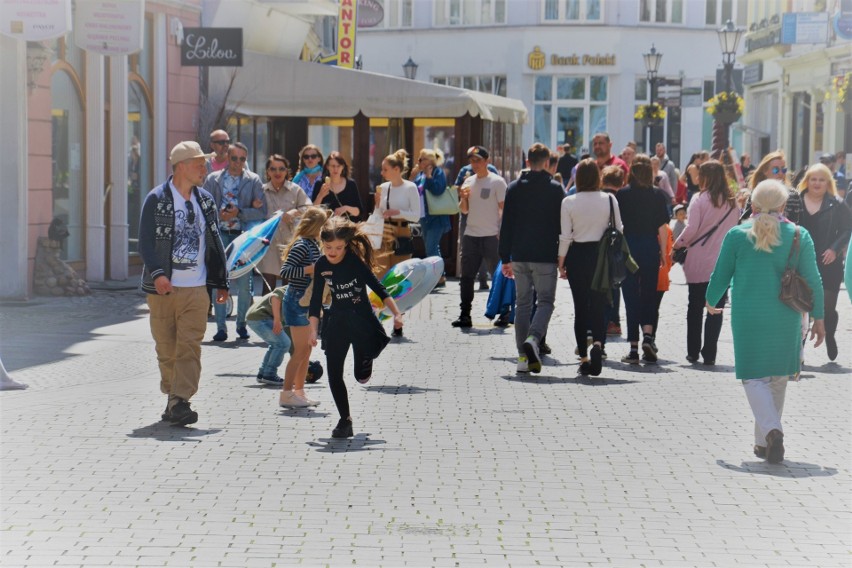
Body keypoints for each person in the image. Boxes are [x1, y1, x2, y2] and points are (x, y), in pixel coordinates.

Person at [706, 179, 825, 463]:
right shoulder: (799, 234)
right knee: (777, 378)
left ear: (754, 205)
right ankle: (763, 442)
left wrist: (712, 300)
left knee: (753, 377)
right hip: (786, 316)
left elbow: (720, 273)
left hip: (748, 316)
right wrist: (819, 318)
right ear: (784, 205)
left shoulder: (737, 235)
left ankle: (770, 433)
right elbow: (814, 280)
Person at [139, 141, 229, 426]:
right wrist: (158, 273)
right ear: (181, 166)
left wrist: (221, 281)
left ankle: (181, 400)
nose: (205, 169)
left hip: (197, 288)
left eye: (205, 163)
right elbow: (145, 242)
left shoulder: (205, 201)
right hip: (163, 288)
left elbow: (215, 242)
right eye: (199, 163)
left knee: (190, 346)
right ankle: (173, 397)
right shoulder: (157, 199)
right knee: (166, 348)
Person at [308, 217, 403, 439]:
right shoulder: (322, 265)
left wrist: (397, 314)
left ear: (346, 245)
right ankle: (345, 420)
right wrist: (313, 330)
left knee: (360, 375)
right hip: (337, 321)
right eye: (328, 247)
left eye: (338, 247)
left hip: (361, 320)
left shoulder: (353, 262)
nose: (333, 252)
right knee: (334, 374)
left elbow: (378, 288)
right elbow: (315, 301)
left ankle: (366, 356)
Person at [499, 143, 564, 374]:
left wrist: (504, 256)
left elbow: (506, 224)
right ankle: (534, 339)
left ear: (527, 162)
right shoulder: (556, 189)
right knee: (545, 301)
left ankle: (522, 358)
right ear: (547, 163)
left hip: (520, 254)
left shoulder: (514, 188)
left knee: (523, 303)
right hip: (545, 254)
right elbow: (561, 225)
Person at [558, 158, 623, 376]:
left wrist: (561, 262)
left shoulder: (569, 201)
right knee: (599, 304)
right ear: (598, 176)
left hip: (577, 255)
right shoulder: (609, 199)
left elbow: (565, 236)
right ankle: (598, 344)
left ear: (577, 177)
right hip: (601, 256)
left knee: (580, 307)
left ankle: (584, 358)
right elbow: (619, 229)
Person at [672, 160, 740, 366]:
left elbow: (691, 229)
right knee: (716, 308)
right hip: (723, 261)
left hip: (699, 259)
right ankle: (710, 353)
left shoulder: (699, 199)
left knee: (695, 307)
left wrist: (677, 244)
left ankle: (693, 351)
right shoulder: (732, 202)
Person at [204, 142, 266, 342]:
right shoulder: (213, 179)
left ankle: (241, 325)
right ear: (227, 158)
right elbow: (203, 206)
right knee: (220, 281)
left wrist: (240, 212)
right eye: (234, 158)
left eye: (242, 159)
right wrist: (219, 216)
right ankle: (221, 327)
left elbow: (261, 212)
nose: (238, 163)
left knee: (245, 284)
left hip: (243, 236)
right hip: (220, 234)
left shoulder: (253, 180)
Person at [615, 155, 670, 364]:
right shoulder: (657, 196)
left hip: (628, 248)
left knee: (630, 296)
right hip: (649, 246)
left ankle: (633, 348)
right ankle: (648, 335)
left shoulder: (622, 194)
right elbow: (662, 228)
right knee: (649, 293)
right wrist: (664, 253)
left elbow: (618, 226)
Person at [796, 163, 852, 362]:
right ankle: (798, 350)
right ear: (807, 181)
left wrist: (835, 249)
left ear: (827, 182)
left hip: (828, 264)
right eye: (813, 179)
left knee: (827, 309)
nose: (817, 183)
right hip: (801, 262)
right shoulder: (796, 201)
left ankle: (830, 335)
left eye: (821, 179)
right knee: (800, 307)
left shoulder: (836, 203)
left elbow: (847, 229)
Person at [278, 206, 332, 407]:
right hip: (296, 300)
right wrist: (310, 269)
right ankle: (286, 393)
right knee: (299, 351)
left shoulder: (313, 245)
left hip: (307, 303)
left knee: (307, 351)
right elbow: (286, 270)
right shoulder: (302, 245)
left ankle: (299, 392)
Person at [453, 146, 507, 328]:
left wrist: (503, 230)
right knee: (466, 277)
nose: (474, 164)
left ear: (487, 161)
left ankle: (504, 313)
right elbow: (464, 209)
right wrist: (463, 197)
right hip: (471, 235)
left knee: (498, 276)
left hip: (492, 235)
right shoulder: (468, 181)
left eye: (478, 160)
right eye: (472, 160)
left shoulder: (497, 182)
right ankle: (465, 314)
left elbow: (503, 208)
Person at [257, 155, 311, 292]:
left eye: (281, 169)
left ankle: (285, 313)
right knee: (268, 287)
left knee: (289, 285)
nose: (277, 172)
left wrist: (294, 212)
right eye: (273, 169)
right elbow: (253, 212)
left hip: (290, 242)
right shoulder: (261, 191)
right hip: (268, 243)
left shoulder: (295, 190)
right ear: (268, 172)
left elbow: (309, 208)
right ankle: (267, 313)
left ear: (287, 171)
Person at [373, 149, 421, 287]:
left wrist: (398, 212)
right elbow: (378, 214)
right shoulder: (383, 187)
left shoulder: (410, 187)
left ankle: (399, 307)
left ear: (396, 169)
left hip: (402, 232)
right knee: (380, 272)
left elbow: (416, 216)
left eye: (385, 169)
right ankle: (381, 305)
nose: (382, 173)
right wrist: (376, 204)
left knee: (399, 273)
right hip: (384, 231)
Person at [411, 148, 451, 286]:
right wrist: (412, 177)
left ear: (429, 161)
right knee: (432, 247)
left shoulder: (438, 172)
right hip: (424, 216)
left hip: (436, 217)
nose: (418, 162)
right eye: (418, 159)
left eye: (421, 159)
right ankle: (440, 276)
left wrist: (429, 177)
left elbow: (438, 190)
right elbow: (413, 191)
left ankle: (435, 277)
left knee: (431, 247)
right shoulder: (420, 174)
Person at [245, 284, 293, 389]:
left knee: (277, 344)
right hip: (260, 317)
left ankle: (262, 374)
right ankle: (269, 374)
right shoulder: (295, 287)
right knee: (283, 344)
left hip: (255, 317)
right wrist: (277, 320)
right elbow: (275, 296)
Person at [740, 150, 802, 223]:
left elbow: (801, 224)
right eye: (775, 170)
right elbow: (744, 222)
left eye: (783, 170)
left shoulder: (794, 196)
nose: (780, 173)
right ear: (765, 171)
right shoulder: (758, 193)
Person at [601, 165, 626, 338]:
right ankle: (613, 321)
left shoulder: (599, 197)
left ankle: (600, 319)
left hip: (598, 244)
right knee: (615, 283)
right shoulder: (621, 198)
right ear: (621, 182)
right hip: (615, 246)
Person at [312, 151, 363, 222]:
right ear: (327, 167)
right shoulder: (320, 184)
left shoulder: (351, 184)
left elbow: (359, 212)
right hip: (326, 228)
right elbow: (313, 211)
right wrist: (320, 196)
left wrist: (345, 208)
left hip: (347, 228)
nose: (335, 169)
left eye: (338, 166)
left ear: (343, 167)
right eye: (333, 166)